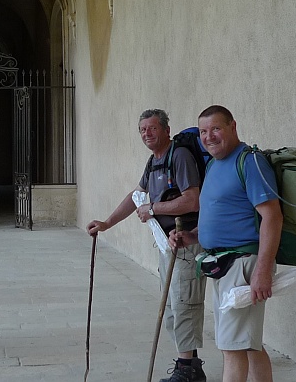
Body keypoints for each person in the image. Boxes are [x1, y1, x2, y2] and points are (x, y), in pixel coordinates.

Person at [87, 109, 208, 382]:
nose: (147, 134)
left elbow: (193, 200)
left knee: (184, 303)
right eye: (142, 130)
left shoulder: (180, 156)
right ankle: (190, 365)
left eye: (152, 128)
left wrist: (153, 208)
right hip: (167, 244)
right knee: (173, 306)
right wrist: (107, 223)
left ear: (166, 130)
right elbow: (136, 196)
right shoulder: (154, 161)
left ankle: (186, 371)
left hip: (186, 242)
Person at [170, 105, 283, 382]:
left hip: (243, 266)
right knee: (249, 345)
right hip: (222, 267)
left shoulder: (249, 162)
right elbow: (221, 214)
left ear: (233, 126)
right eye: (204, 132)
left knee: (232, 349)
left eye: (216, 129)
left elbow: (272, 217)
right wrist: (193, 236)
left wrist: (262, 271)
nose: (209, 137)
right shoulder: (213, 164)